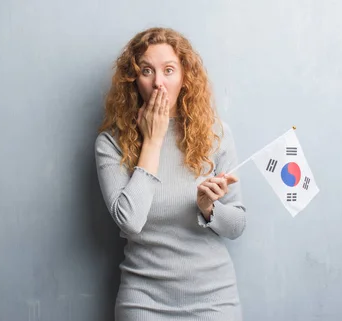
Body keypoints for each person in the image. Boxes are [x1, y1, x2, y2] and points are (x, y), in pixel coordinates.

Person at [94, 27, 247, 321]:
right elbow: (130, 220)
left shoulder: (215, 134)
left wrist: (209, 209)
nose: (159, 83)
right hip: (144, 302)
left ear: (185, 76)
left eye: (168, 70)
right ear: (133, 80)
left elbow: (237, 224)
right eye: (147, 71)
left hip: (214, 301)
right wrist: (152, 140)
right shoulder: (111, 143)